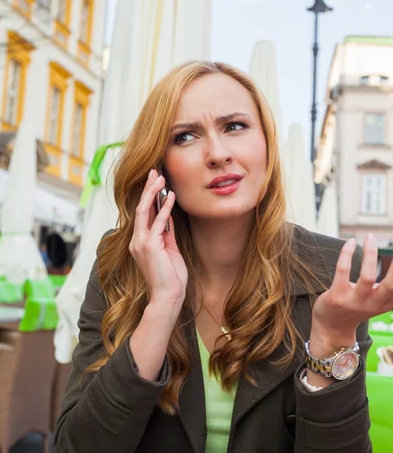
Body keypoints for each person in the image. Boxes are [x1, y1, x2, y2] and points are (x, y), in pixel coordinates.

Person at [54, 61, 391, 452]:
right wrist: (161, 306)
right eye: (185, 137)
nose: (217, 153)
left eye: (234, 126)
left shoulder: (330, 270)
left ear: (266, 144)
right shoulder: (120, 266)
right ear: (159, 168)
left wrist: (332, 340)